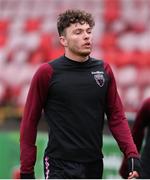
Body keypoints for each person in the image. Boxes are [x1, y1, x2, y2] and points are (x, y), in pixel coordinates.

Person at [20, 9, 142, 179]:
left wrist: (132, 155)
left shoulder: (104, 70)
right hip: (59, 166)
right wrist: (27, 170)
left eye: (88, 31)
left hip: (94, 165)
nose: (86, 36)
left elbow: (116, 117)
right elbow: (29, 122)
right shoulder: (47, 72)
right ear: (63, 40)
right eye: (78, 32)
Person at [120, 97, 150, 179]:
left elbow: (136, 135)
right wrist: (127, 168)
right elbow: (136, 135)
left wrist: (125, 169)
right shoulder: (148, 104)